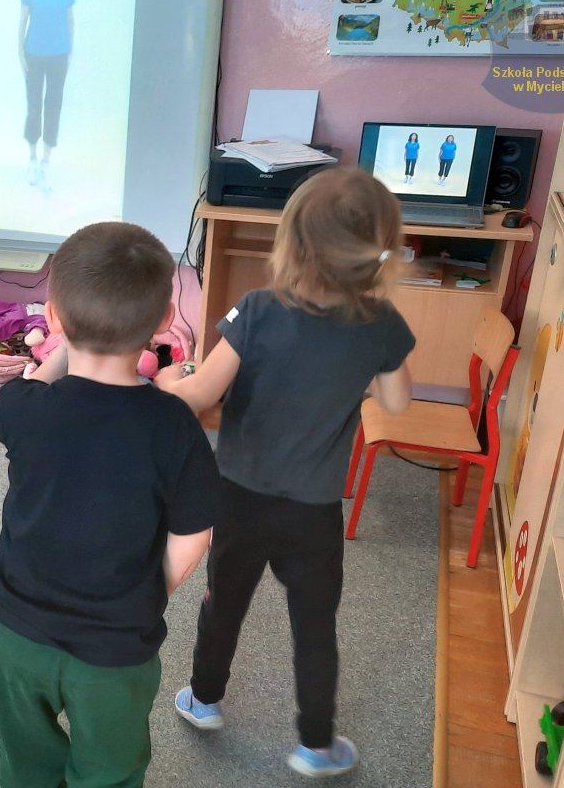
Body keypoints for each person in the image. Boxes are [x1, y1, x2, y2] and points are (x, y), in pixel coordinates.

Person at [157, 168, 415, 778]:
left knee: (224, 601)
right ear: (378, 253)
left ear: (292, 244)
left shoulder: (256, 311)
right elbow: (397, 403)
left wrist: (168, 383)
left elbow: (200, 396)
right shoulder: (381, 323)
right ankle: (316, 745)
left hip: (238, 499)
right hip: (314, 511)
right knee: (315, 624)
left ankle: (203, 699)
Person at [0, 221, 218, 788]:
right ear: (165, 320)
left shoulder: (21, 407)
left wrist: (63, 345)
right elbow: (194, 534)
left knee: (25, 761)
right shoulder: (174, 426)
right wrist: (151, 591)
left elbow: (37, 383)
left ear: (52, 318)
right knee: (109, 770)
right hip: (114, 650)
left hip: (16, 631)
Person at [19, 0, 75, 186]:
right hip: (33, 53)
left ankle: (46, 161)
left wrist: (70, 50)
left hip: (59, 53)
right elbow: (24, 16)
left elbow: (70, 17)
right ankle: (32, 159)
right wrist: (20, 51)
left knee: (53, 106)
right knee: (33, 107)